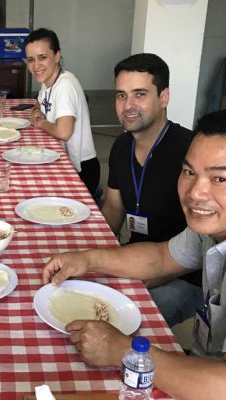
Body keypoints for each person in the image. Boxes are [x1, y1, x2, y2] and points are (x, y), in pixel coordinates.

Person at [42, 110, 226, 400]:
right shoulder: (209, 230)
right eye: (189, 172)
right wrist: (87, 259)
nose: (195, 193)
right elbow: (162, 257)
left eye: (220, 179)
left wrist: (121, 350)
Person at [102, 53, 200, 326]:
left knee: (118, 323)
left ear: (164, 97)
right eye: (121, 95)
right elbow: (113, 207)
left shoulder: (190, 152)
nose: (128, 106)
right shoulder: (122, 146)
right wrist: (99, 250)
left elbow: (198, 248)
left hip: (185, 276)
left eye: (140, 94)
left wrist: (127, 276)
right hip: (138, 256)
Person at [25, 28, 100, 197]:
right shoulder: (49, 79)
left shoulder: (65, 86)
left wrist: (42, 122)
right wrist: (38, 110)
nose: (36, 66)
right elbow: (39, 101)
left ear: (57, 56)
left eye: (42, 58)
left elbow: (64, 132)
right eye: (31, 60)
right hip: (63, 159)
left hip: (80, 170)